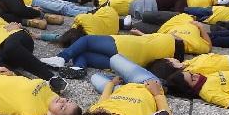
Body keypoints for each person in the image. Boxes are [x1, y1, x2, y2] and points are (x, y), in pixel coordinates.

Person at [40, 32, 184, 70]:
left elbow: (147, 37)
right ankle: (78, 68)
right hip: (132, 62)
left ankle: (61, 58)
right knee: (86, 56)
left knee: (87, 40)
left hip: (128, 45)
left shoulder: (167, 37)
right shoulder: (170, 54)